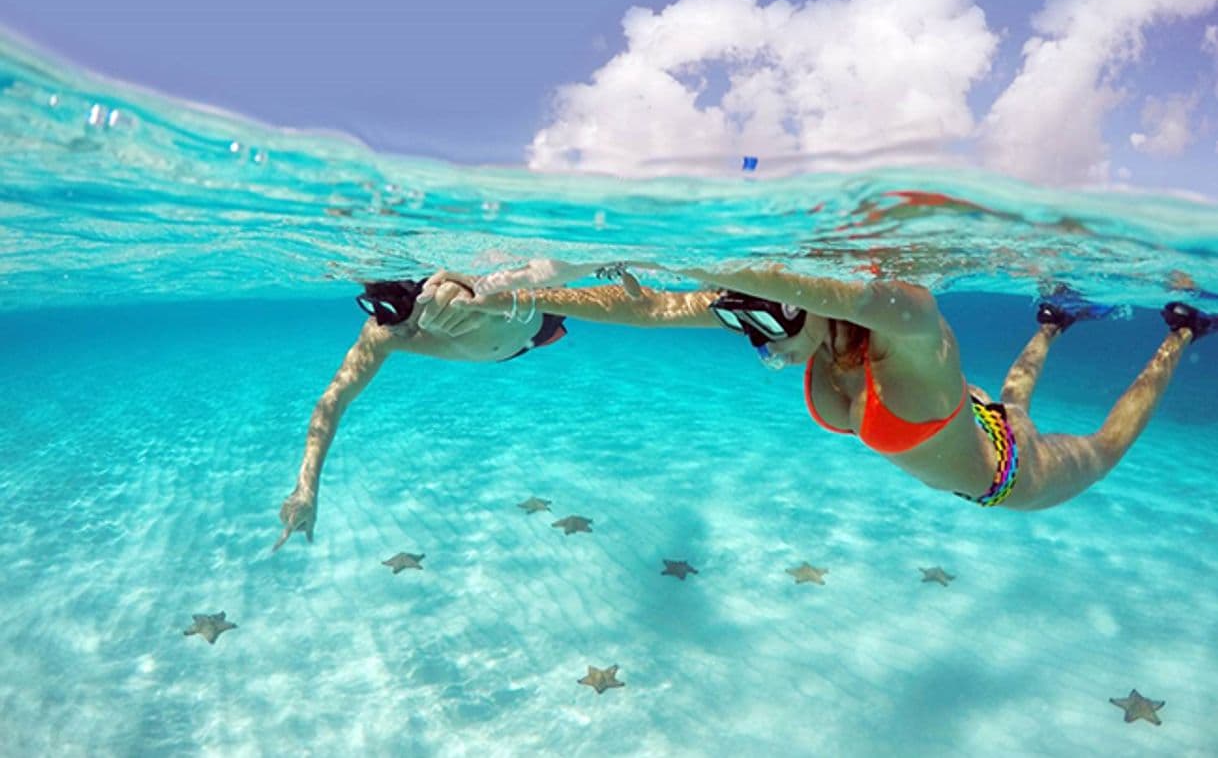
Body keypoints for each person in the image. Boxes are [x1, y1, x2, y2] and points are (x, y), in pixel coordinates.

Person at [454, 264, 1215, 511]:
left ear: (814, 303)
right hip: (969, 420)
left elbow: (888, 300)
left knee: (1104, 446)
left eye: (770, 325)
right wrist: (520, 301)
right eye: (752, 331)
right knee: (1011, 401)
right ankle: (1052, 322)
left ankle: (1183, 329)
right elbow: (650, 306)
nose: (761, 344)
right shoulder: (790, 323)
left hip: (1009, 475)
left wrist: (726, 264)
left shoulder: (912, 339)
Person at [273, 272, 568, 551]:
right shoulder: (387, 331)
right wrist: (305, 489)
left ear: (426, 293)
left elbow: (477, 287)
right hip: (506, 335)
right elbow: (333, 399)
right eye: (379, 307)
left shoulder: (463, 300)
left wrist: (464, 292)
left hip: (539, 321)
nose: (395, 322)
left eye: (398, 305)